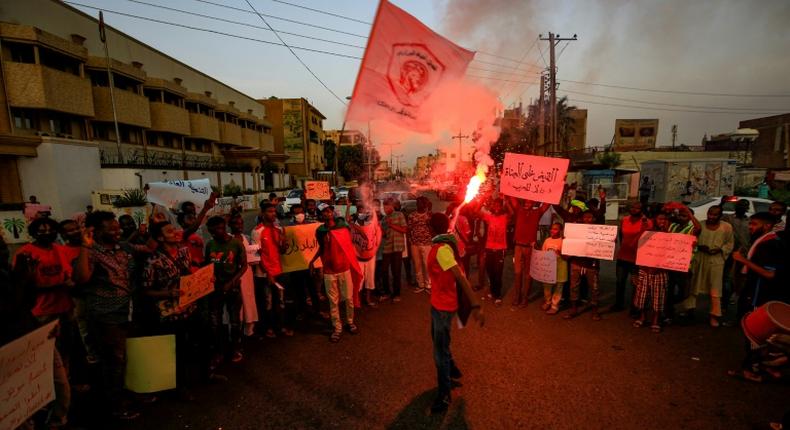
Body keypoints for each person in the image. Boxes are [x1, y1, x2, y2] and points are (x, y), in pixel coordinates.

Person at [73, 211, 155, 420]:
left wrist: (155, 227)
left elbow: (150, 248)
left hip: (128, 310)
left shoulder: (124, 247)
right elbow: (81, 278)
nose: (117, 230)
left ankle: (133, 392)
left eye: (117, 227)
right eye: (111, 228)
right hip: (106, 317)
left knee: (131, 356)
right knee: (114, 362)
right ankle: (117, 406)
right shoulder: (90, 252)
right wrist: (84, 246)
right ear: (95, 231)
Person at [425, 212, 484, 414]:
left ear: (431, 229)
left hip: (443, 307)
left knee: (439, 352)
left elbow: (460, 277)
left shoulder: (442, 249)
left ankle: (444, 395)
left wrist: (475, 305)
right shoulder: (443, 243)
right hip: (437, 303)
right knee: (437, 340)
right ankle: (453, 369)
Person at [139, 221, 197, 399]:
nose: (176, 232)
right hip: (169, 313)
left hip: (189, 307)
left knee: (191, 345)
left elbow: (189, 273)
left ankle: (196, 378)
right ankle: (179, 386)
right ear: (160, 237)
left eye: (175, 229)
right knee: (176, 349)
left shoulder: (183, 251)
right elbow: (146, 290)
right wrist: (167, 293)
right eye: (170, 231)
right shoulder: (153, 260)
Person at [310, 203, 361, 343]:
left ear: (332, 212)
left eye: (329, 210)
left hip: (344, 267)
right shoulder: (320, 230)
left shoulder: (343, 227)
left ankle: (350, 322)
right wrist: (312, 260)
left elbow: (349, 245)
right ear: (321, 215)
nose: (327, 213)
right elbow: (322, 248)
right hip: (329, 270)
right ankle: (337, 328)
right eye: (324, 212)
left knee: (348, 298)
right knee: (333, 301)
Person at [204, 216, 247, 363]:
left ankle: (236, 348)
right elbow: (207, 266)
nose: (218, 232)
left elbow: (244, 266)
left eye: (221, 228)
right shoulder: (210, 245)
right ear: (210, 232)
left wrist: (233, 281)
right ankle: (218, 350)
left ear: (225, 227)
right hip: (215, 290)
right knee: (215, 322)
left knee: (235, 321)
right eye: (214, 230)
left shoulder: (236, 244)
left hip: (232, 289)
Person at [684, 205, 734, 327]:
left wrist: (719, 250)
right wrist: (699, 246)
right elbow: (690, 240)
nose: (711, 217)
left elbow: (729, 243)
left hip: (716, 260)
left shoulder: (726, 227)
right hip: (699, 257)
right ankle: (689, 310)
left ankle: (714, 315)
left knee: (715, 288)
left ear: (720, 215)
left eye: (715, 214)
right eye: (709, 214)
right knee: (693, 284)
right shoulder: (699, 225)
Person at [732, 212, 785, 318]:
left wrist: (743, 260)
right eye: (750, 224)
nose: (750, 227)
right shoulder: (762, 240)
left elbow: (769, 274)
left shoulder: (769, 244)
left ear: (767, 226)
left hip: (760, 292)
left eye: (754, 224)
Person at [252, 204, 290, 338]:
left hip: (278, 271)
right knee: (267, 302)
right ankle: (267, 328)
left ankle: (280, 326)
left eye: (274, 211)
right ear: (262, 214)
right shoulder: (257, 231)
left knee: (279, 300)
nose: (273, 214)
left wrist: (284, 244)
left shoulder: (278, 230)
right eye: (270, 211)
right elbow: (257, 255)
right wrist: (268, 273)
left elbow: (282, 251)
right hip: (264, 274)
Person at [632, 213, 671, 333]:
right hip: (645, 270)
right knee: (642, 296)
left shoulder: (672, 236)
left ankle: (655, 320)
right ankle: (642, 317)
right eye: (660, 218)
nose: (662, 222)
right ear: (655, 220)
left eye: (665, 219)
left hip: (660, 272)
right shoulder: (648, 233)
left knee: (658, 298)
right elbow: (638, 247)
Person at [509, 197, 550, 308]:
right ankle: (517, 297)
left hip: (530, 247)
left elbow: (547, 203)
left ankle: (525, 298)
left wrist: (555, 189)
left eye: (530, 202)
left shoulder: (538, 212)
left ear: (534, 203)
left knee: (528, 274)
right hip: (518, 246)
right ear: (523, 202)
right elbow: (512, 199)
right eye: (526, 202)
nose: (528, 203)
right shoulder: (519, 209)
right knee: (517, 272)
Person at [613, 202, 653, 312]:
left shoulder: (647, 222)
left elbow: (649, 237)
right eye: (632, 207)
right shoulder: (624, 220)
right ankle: (618, 304)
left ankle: (635, 306)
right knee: (620, 281)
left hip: (637, 258)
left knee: (636, 284)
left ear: (642, 209)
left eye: (637, 208)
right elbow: (621, 235)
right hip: (623, 256)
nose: (634, 209)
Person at [565, 211, 602, 320]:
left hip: (591, 264)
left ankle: (595, 310)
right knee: (573, 286)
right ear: (582, 218)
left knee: (594, 288)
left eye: (590, 217)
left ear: (594, 219)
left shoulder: (599, 231)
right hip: (576, 262)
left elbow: (604, 245)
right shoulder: (576, 230)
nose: (587, 219)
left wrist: (609, 241)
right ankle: (573, 309)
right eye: (585, 217)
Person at [228, 214, 260, 338]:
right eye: (236, 223)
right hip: (233, 274)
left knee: (248, 298)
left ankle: (249, 327)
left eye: (241, 223)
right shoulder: (228, 239)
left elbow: (252, 256)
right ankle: (236, 327)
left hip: (247, 274)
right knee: (236, 301)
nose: (239, 226)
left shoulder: (245, 238)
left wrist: (257, 255)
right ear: (229, 225)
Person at [350, 203, 382, 307]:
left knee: (370, 278)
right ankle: (357, 299)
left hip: (370, 257)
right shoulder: (353, 225)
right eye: (360, 211)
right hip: (358, 257)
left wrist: (375, 249)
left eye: (364, 211)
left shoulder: (371, 223)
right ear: (357, 212)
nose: (362, 213)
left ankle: (368, 299)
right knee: (359, 278)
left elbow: (378, 235)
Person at [481, 198, 509, 306]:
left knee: (498, 273)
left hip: (500, 249)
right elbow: (476, 212)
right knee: (490, 271)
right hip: (489, 248)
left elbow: (512, 213)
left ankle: (497, 296)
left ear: (501, 206)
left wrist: (508, 199)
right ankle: (492, 291)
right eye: (495, 205)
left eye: (499, 205)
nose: (497, 207)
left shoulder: (505, 217)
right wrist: (477, 200)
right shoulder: (489, 216)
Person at [380, 198, 407, 302]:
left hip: (397, 247)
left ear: (392, 206)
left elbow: (404, 230)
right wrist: (380, 230)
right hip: (387, 248)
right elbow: (384, 235)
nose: (385, 208)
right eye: (384, 206)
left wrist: (391, 225)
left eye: (387, 206)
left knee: (396, 271)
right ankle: (386, 293)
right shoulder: (383, 219)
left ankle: (396, 294)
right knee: (384, 271)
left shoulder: (399, 215)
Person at [407, 196, 433, 293]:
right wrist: (410, 241)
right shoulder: (412, 215)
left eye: (422, 203)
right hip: (414, 243)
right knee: (417, 265)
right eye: (418, 203)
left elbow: (433, 229)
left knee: (427, 265)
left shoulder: (430, 215)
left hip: (427, 243)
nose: (420, 205)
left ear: (425, 204)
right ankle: (420, 284)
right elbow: (409, 229)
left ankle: (428, 285)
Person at [541, 222, 568, 315]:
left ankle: (554, 305)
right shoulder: (547, 241)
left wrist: (560, 253)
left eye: (556, 229)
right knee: (547, 286)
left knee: (558, 287)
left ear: (560, 231)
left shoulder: (563, 241)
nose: (553, 231)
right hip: (549, 268)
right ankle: (547, 301)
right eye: (552, 228)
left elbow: (566, 257)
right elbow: (542, 254)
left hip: (560, 267)